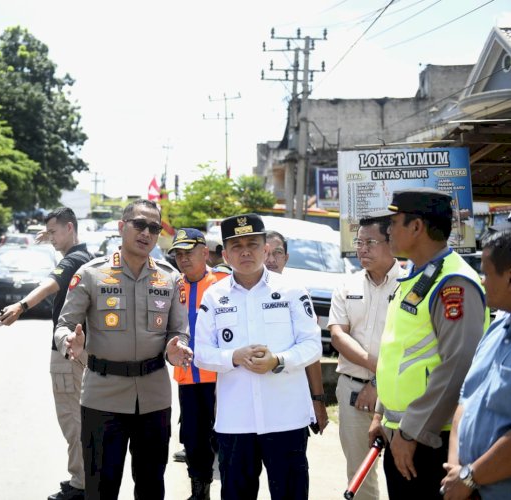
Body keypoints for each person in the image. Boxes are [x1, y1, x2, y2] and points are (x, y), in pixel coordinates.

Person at [54, 199, 192, 500]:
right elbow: (64, 325)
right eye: (139, 225)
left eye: (154, 228)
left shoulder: (169, 278)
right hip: (102, 397)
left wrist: (176, 347)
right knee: (101, 490)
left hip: (154, 398)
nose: (146, 233)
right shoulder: (91, 274)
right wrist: (69, 342)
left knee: (151, 487)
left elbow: (179, 331)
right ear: (122, 226)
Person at [367, 187, 489, 499]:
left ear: (417, 227)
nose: (388, 230)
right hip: (406, 432)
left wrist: (411, 431)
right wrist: (383, 415)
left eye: (394, 223)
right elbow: (400, 353)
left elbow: (459, 364)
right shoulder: (416, 276)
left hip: (432, 439)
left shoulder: (453, 283)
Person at [194, 214, 322, 500]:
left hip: (286, 419)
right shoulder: (213, 297)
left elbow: (313, 345)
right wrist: (234, 357)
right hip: (235, 422)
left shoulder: (291, 291)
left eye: (252, 244)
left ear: (265, 249)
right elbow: (201, 355)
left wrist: (277, 360)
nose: (245, 251)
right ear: (225, 254)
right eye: (236, 246)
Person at [0, 207, 93, 500]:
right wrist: (48, 234)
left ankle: (81, 485)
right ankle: (81, 476)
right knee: (77, 417)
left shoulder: (74, 259)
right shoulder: (85, 255)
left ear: (70, 228)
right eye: (47, 233)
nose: (50, 238)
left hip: (67, 350)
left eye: (54, 232)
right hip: (79, 347)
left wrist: (21, 306)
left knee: (71, 418)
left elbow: (49, 284)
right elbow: (59, 240)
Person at [328, 217, 402, 500]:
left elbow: (408, 346)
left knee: (402, 471)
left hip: (397, 392)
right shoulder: (346, 285)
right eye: (359, 243)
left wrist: (378, 382)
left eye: (370, 242)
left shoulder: (409, 284)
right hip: (352, 390)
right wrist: (376, 372)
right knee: (359, 475)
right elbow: (338, 335)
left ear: (391, 242)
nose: (362, 249)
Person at [441, 229, 511, 500]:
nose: (482, 282)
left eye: (487, 273)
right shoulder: (497, 325)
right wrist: (458, 470)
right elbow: (466, 400)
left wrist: (470, 476)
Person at [168, 228, 228, 500]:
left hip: (222, 378)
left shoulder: (224, 282)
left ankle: (232, 489)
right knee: (193, 439)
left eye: (188, 253)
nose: (183, 259)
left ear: (205, 252)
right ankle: (199, 492)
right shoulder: (171, 285)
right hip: (188, 377)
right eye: (178, 254)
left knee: (228, 439)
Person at [264, 230, 329, 436]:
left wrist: (318, 400)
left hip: (289, 403)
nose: (271, 259)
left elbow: (311, 352)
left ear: (286, 258)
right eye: (266, 252)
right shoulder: (233, 293)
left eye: (278, 253)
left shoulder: (297, 294)